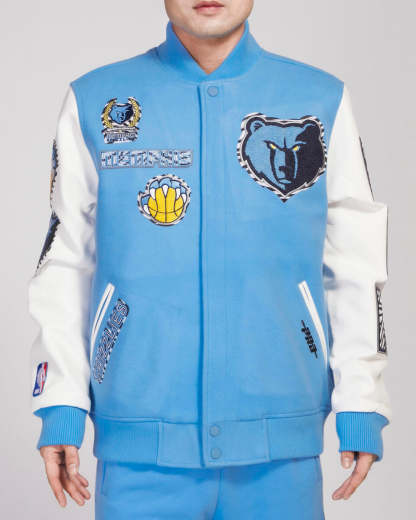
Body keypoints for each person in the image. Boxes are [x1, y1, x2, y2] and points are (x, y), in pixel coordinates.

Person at [28, 0, 392, 518]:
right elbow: (66, 262)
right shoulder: (96, 100)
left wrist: (361, 397)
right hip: (140, 454)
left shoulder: (320, 100)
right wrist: (60, 400)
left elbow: (355, 262)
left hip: (279, 450)